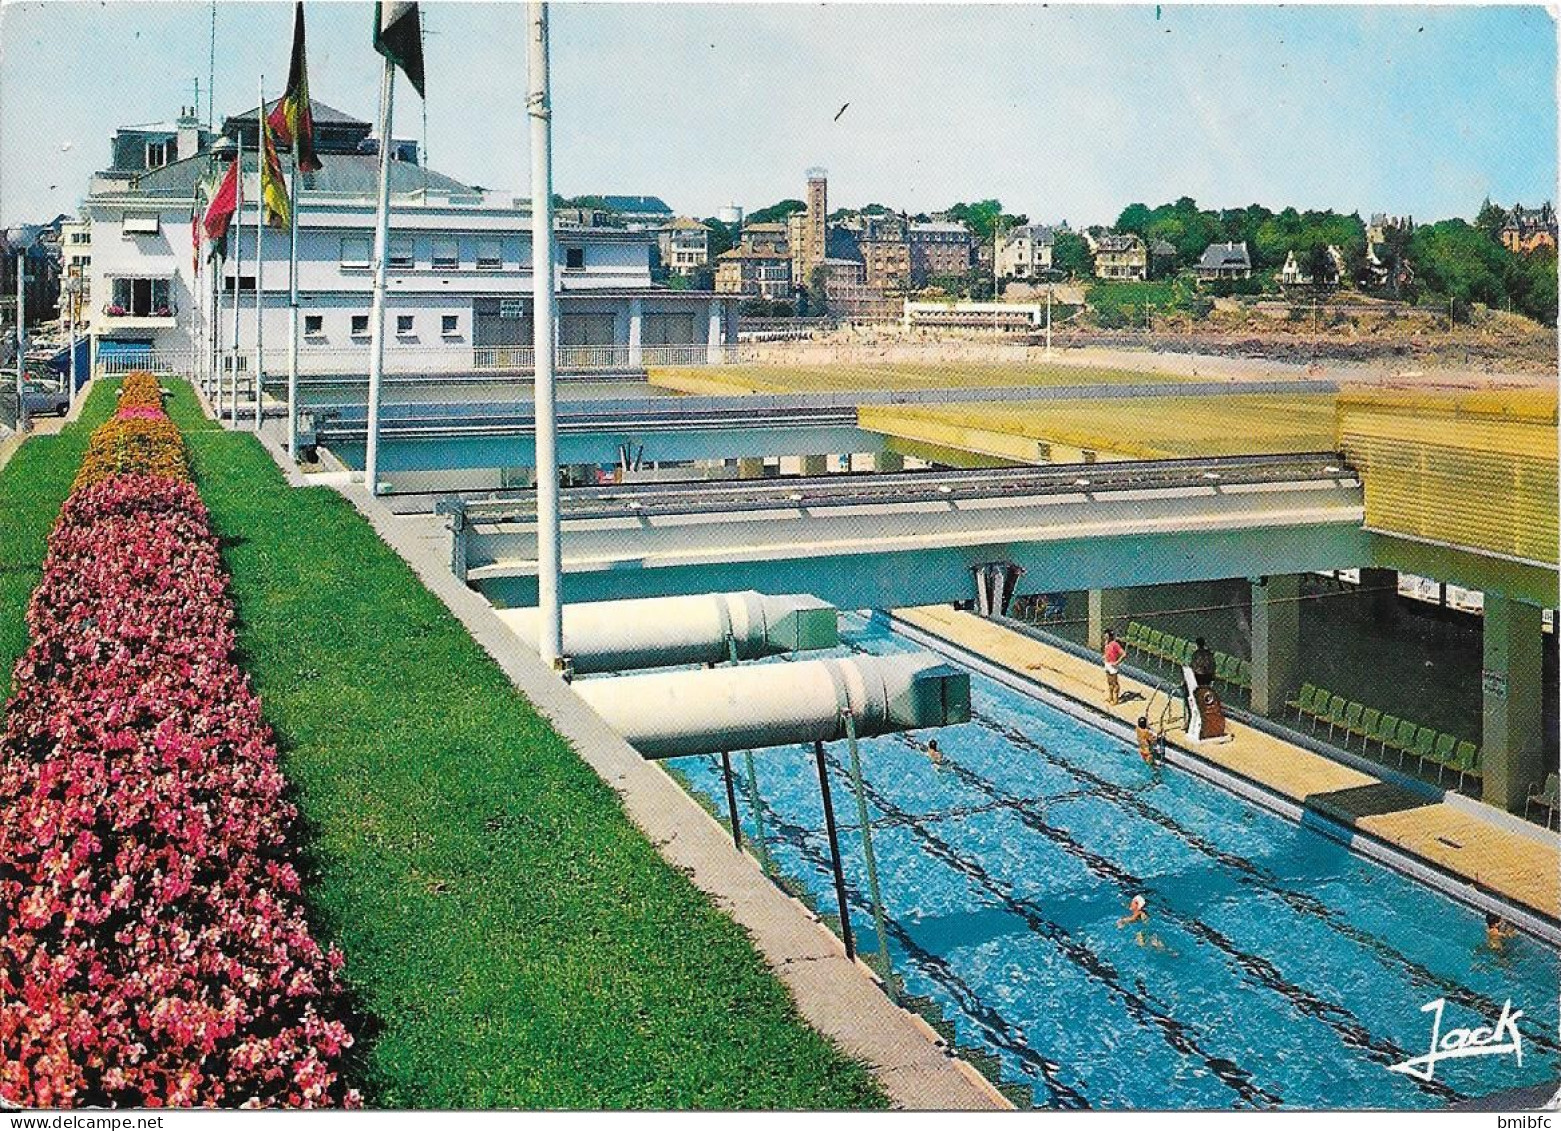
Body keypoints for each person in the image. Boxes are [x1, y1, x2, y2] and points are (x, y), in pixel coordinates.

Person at [1102, 630, 1126, 705]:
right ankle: (1110, 697)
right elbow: (1107, 651)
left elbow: (1124, 654)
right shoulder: (1106, 643)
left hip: (1112, 665)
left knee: (1115, 683)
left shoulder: (1115, 644)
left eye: (1106, 636)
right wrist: (1104, 657)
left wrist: (1117, 663)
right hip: (1107, 664)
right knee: (1109, 682)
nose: (1105, 637)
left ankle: (1116, 700)